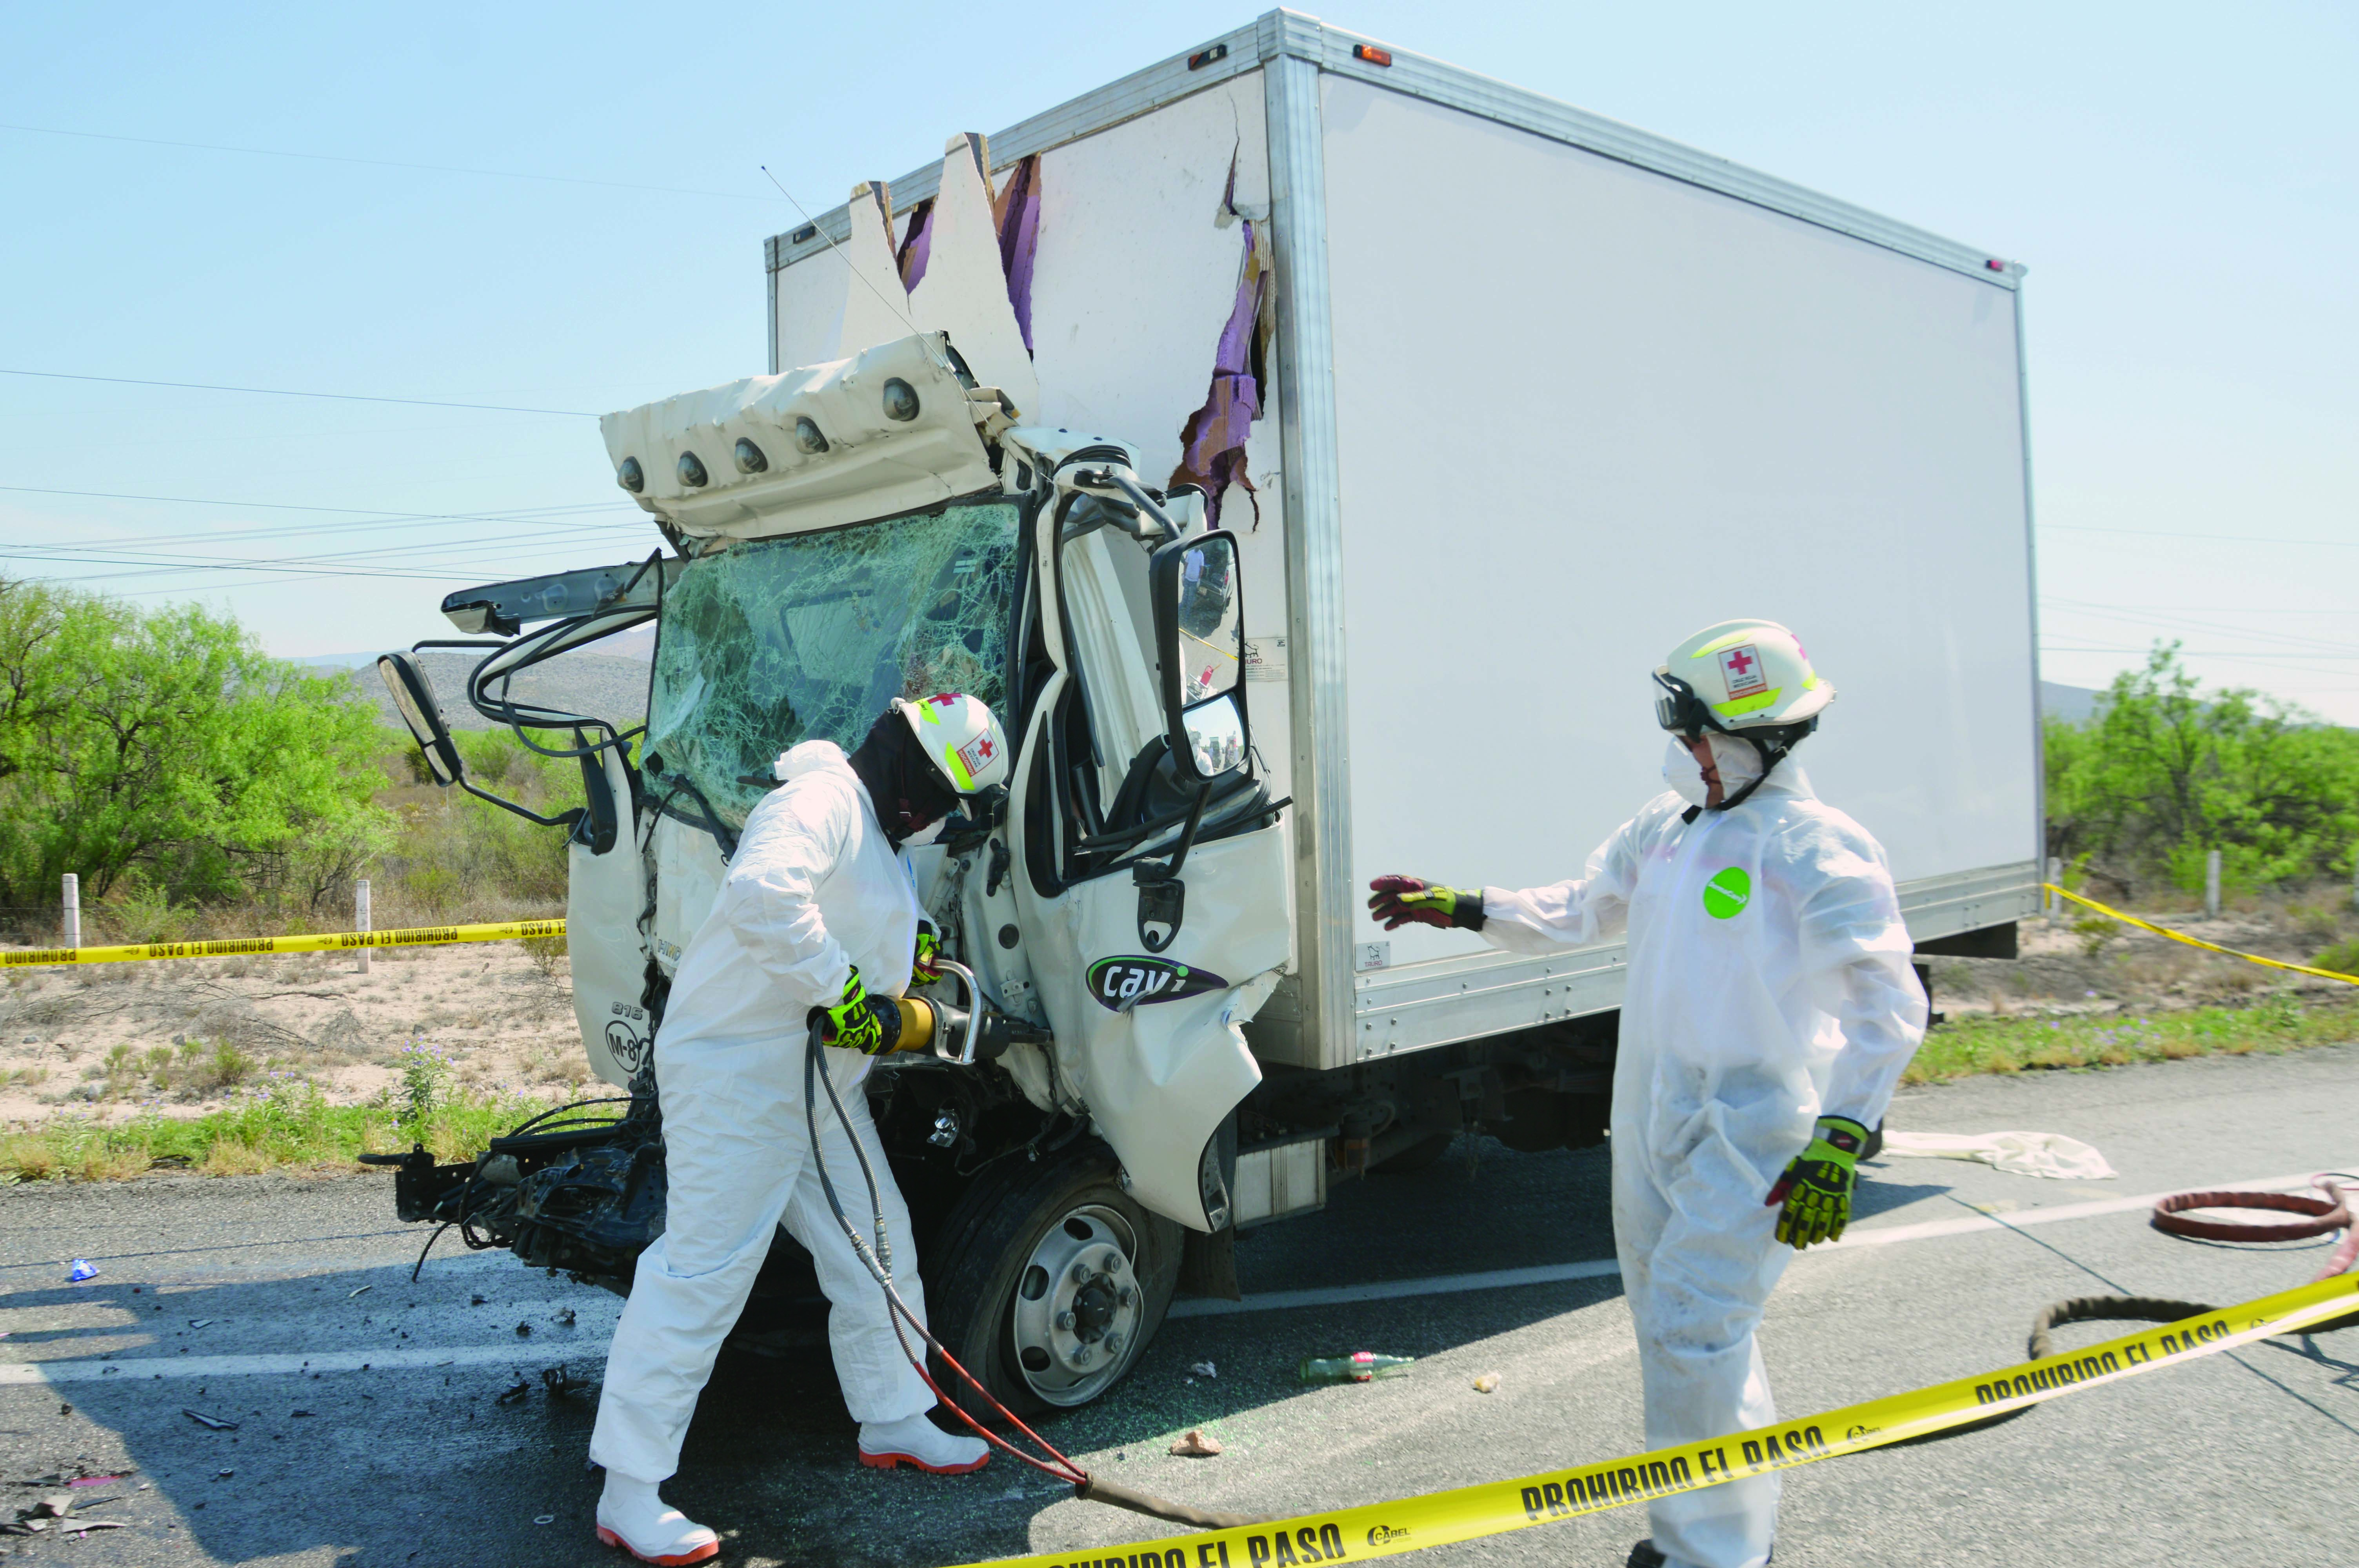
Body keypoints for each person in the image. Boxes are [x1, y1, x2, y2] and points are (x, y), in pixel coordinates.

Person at [1368, 620, 1925, 1568]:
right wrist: (1468, 906)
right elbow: (1582, 905)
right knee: (1679, 1332)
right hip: (1655, 1117)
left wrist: (1838, 1137)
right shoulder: (1667, 829)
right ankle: (1710, 1532)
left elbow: (1887, 1002)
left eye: (1697, 737)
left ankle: (1710, 1554)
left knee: (1692, 1327)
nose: (1684, 754)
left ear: (1758, 738)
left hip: (1761, 1132)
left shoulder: (1817, 845)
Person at [591, 692, 1012, 1566]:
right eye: (937, 797)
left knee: (879, 1243)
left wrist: (915, 950)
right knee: (701, 1273)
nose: (935, 819)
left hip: (816, 1087)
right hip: (738, 1081)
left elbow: (855, 913)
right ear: (905, 757)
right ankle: (628, 1491)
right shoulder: (817, 801)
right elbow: (763, 894)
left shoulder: (875, 832)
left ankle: (896, 1414)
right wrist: (847, 994)